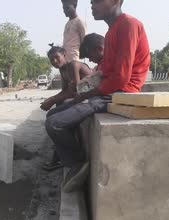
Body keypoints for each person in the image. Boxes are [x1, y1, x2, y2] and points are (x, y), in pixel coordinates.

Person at [46, 0, 150, 191]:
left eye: (97, 1)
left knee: (55, 123)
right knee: (52, 115)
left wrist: (89, 94)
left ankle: (77, 164)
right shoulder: (111, 31)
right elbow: (106, 72)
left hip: (121, 93)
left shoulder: (129, 24)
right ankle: (74, 163)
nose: (93, 5)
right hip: (108, 90)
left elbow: (120, 77)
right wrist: (84, 94)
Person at [40, 45, 92, 113]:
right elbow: (64, 90)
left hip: (91, 96)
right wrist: (51, 100)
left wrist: (52, 100)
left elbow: (77, 89)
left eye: (57, 57)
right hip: (80, 96)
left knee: (52, 114)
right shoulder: (62, 70)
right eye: (52, 60)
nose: (55, 61)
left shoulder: (73, 65)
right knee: (58, 104)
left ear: (64, 54)